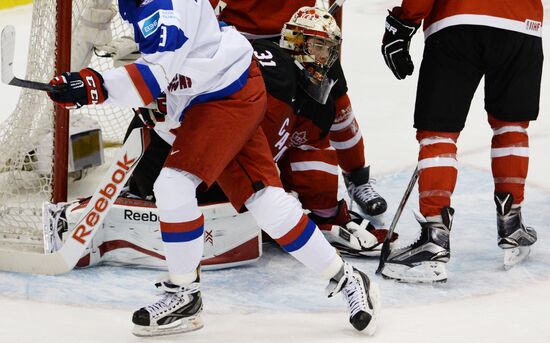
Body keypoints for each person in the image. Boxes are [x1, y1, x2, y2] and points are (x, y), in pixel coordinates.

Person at [47, 0, 379, 337]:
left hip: (221, 95)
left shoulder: (163, 5)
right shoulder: (141, 5)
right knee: (265, 201)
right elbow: (167, 64)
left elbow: (150, 77)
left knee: (173, 184)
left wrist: (91, 86)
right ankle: (347, 276)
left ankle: (184, 295)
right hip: (217, 89)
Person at [122, 6, 398, 257]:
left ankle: (331, 206)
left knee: (318, 131)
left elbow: (314, 143)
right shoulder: (265, 74)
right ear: (297, 44)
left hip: (229, 167)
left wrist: (326, 213)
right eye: (318, 48)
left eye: (328, 50)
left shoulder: (309, 93)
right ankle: (138, 188)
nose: (324, 59)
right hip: (192, 150)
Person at [380, 0, 542, 282]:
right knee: (511, 126)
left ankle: (434, 239)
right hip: (523, 26)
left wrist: (403, 23)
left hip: (459, 20)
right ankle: (512, 225)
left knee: (438, 132)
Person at [210, 0, 388, 219]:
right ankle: (260, 192)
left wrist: (332, 50)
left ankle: (358, 180)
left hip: (304, 32)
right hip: (241, 40)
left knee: (336, 109)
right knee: (260, 118)